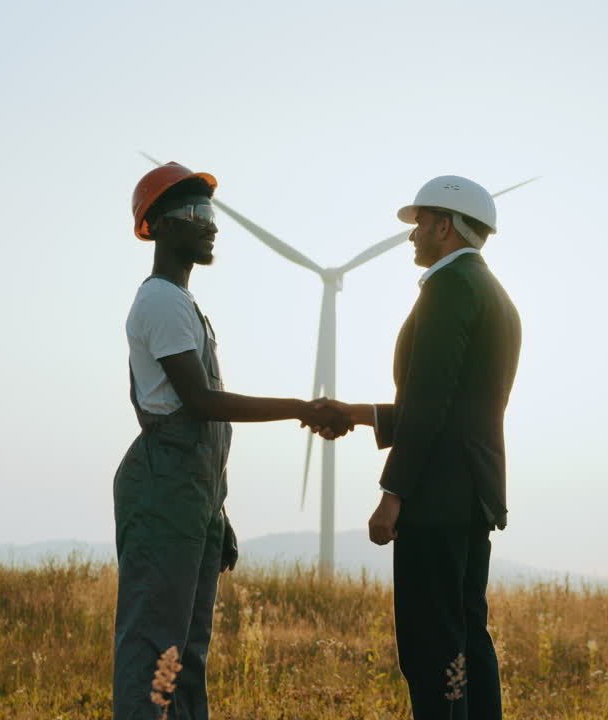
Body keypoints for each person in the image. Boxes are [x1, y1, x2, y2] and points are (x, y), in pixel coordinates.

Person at [113, 161, 350, 719]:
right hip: (165, 489)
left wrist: (216, 511)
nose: (211, 224)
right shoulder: (160, 301)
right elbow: (201, 403)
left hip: (192, 493)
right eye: (195, 213)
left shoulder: (183, 303)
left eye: (210, 211)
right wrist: (302, 408)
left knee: (187, 650)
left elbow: (203, 428)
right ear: (158, 226)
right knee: (155, 646)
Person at [318, 175, 522, 720]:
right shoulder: (494, 294)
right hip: (472, 496)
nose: (412, 235)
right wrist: (354, 414)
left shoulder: (449, 289)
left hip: (436, 499)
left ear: (445, 226)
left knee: (432, 645)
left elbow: (429, 405)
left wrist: (393, 493)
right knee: (467, 637)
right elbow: (456, 406)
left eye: (420, 223)